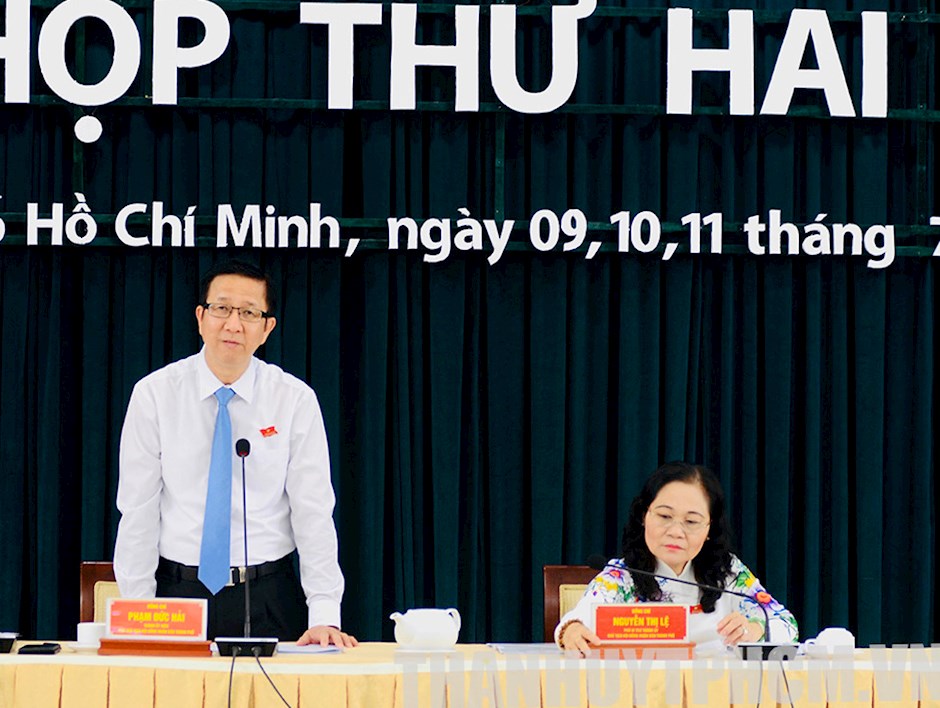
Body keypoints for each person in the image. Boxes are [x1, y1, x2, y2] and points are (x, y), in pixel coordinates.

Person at [113, 260, 356, 648]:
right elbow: (138, 511)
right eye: (222, 308)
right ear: (200, 317)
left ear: (267, 328)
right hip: (177, 593)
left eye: (248, 313)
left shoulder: (293, 399)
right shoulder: (155, 395)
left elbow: (313, 512)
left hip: (268, 595)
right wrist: (139, 610)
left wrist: (324, 613)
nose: (233, 324)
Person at [556, 462, 797, 655]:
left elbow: (785, 623)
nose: (676, 532)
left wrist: (755, 628)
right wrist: (572, 630)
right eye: (664, 516)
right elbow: (578, 621)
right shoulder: (623, 575)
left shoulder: (728, 572)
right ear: (644, 516)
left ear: (710, 529)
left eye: (691, 521)